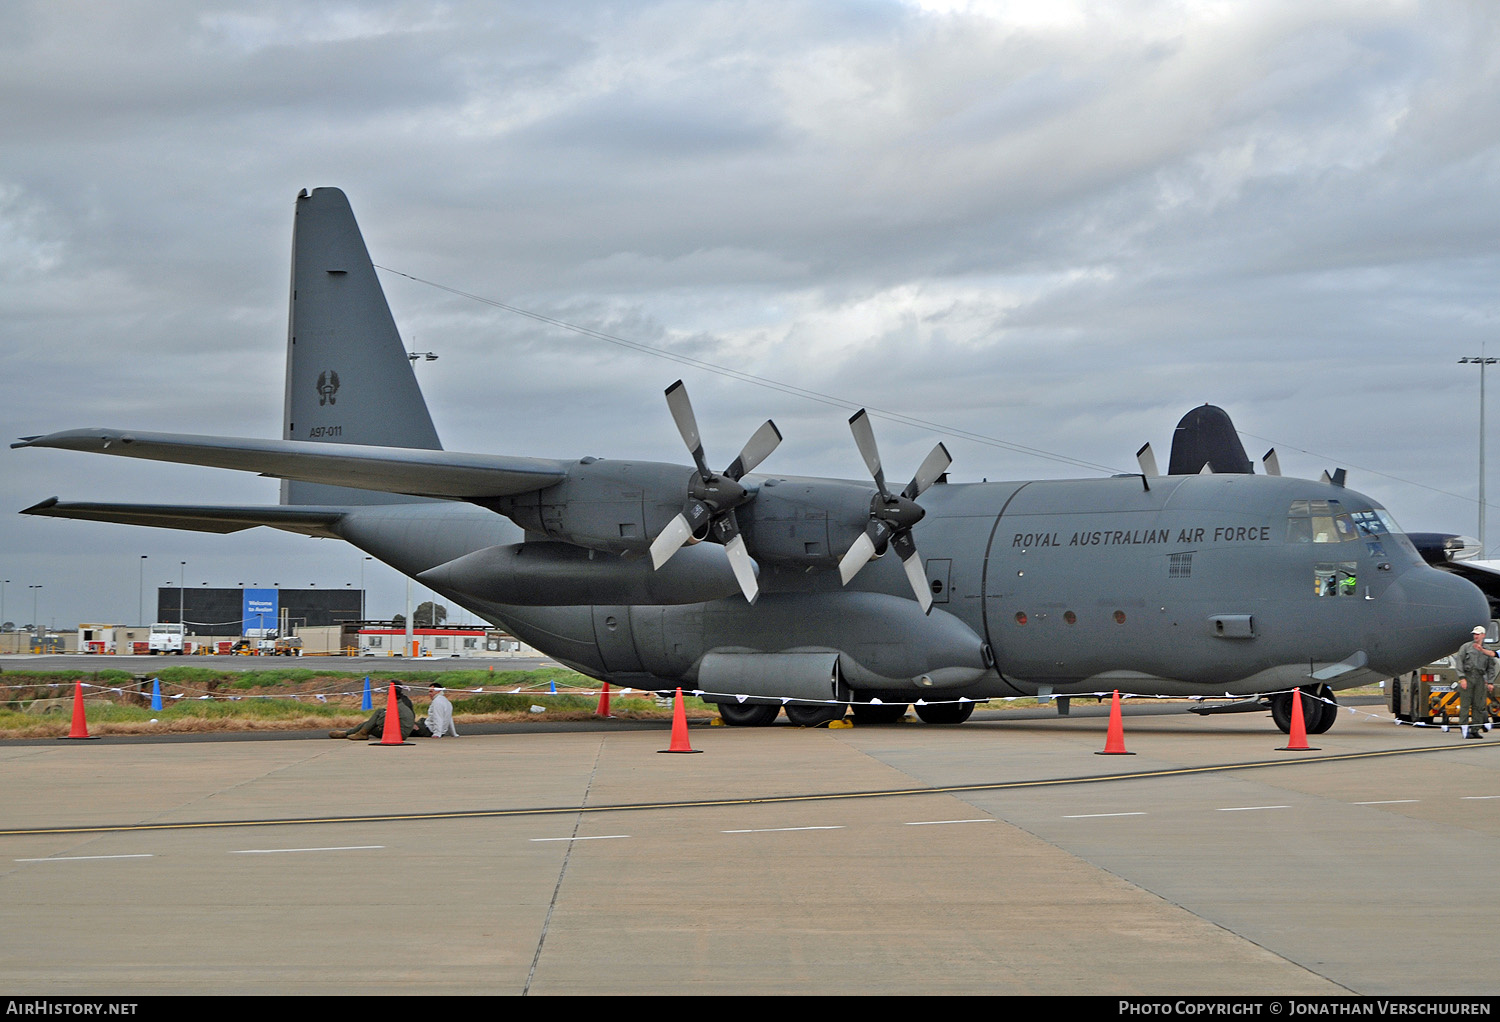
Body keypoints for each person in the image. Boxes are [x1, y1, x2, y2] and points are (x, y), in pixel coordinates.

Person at [1453, 625, 1497, 739]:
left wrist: (1490, 682)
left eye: (1478, 634)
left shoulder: (1486, 649)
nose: (1475, 636)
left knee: (1479, 705)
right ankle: (1464, 728)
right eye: (1474, 634)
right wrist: (1462, 678)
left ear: (1483, 635)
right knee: (1465, 705)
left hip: (1480, 678)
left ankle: (1475, 729)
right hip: (1468, 677)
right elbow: (1459, 663)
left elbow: (1491, 667)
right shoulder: (1466, 647)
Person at [329, 685, 415, 740]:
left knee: (376, 715)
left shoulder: (396, 708)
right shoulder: (403, 705)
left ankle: (356, 733)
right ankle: (357, 732)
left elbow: (379, 722)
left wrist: (379, 716)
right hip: (402, 733)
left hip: (398, 734)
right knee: (369, 723)